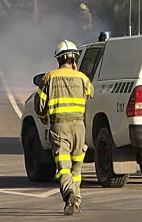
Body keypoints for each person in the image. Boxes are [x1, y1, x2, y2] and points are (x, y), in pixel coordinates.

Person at [35, 40, 93, 215]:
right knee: (77, 167)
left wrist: (43, 117)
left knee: (63, 166)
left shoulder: (49, 77)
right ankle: (76, 201)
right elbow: (90, 93)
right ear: (74, 59)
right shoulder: (83, 78)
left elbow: (39, 106)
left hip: (60, 127)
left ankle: (69, 194)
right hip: (79, 127)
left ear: (59, 59)